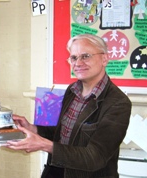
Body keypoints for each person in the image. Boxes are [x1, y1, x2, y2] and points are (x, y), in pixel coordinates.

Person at [7, 34, 132, 178]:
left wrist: (44, 145)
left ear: (104, 59)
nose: (78, 63)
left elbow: (95, 157)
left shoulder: (118, 103)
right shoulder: (72, 90)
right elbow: (63, 133)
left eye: (85, 56)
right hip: (56, 170)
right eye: (73, 57)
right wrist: (32, 128)